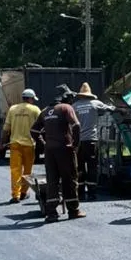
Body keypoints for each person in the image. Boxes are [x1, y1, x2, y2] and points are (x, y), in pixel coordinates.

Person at [31, 85, 85, 223]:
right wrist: (75, 144)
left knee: (52, 181)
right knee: (70, 179)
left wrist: (44, 144)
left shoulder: (45, 111)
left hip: (50, 152)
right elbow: (76, 125)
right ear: (65, 97)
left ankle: (51, 213)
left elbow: (34, 131)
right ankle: (73, 210)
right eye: (70, 97)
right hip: (64, 150)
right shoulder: (66, 108)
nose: (72, 100)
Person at [72, 82, 115, 201]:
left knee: (79, 167)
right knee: (92, 166)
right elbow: (110, 109)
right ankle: (92, 193)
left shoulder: (74, 106)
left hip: (78, 142)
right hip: (91, 140)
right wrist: (119, 109)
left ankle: (80, 192)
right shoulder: (95, 103)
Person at [0, 88, 41, 204]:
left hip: (15, 145)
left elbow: (6, 129)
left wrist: (1, 143)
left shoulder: (13, 109)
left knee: (15, 170)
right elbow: (41, 127)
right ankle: (23, 193)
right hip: (29, 145)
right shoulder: (35, 110)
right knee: (27, 171)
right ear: (30, 99)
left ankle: (15, 195)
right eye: (33, 99)